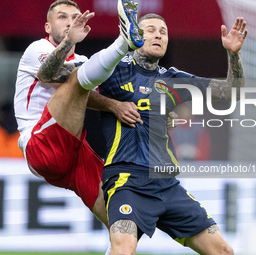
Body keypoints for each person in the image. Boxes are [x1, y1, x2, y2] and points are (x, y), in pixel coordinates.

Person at [99, 12, 247, 255]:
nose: (158, 34)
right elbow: (74, 86)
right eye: (150, 30)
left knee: (223, 251)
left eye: (163, 31)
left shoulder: (173, 78)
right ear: (135, 35)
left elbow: (232, 93)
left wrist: (233, 53)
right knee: (122, 251)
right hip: (128, 181)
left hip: (166, 184)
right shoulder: (114, 68)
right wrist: (112, 105)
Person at [14, 0, 145, 229]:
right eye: (62, 17)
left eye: (74, 17)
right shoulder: (37, 49)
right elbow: (52, 75)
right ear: (47, 26)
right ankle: (123, 43)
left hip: (73, 150)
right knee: (77, 77)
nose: (69, 22)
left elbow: (88, 95)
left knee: (123, 223)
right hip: (39, 144)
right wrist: (69, 41)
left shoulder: (83, 64)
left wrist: (122, 106)